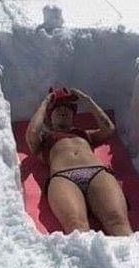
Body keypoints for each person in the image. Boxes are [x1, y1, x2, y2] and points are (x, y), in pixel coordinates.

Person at [25, 87, 132, 236]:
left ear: (73, 116)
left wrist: (86, 99)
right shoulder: (45, 139)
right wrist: (46, 102)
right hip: (64, 177)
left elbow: (108, 127)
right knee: (76, 226)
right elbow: (32, 132)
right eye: (58, 109)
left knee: (117, 220)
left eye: (68, 109)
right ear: (49, 118)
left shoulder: (84, 134)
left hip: (97, 173)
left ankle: (129, 251)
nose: (63, 111)